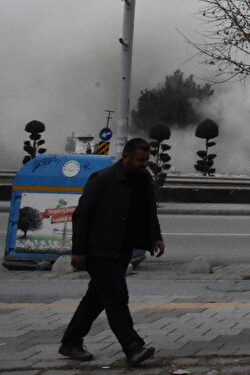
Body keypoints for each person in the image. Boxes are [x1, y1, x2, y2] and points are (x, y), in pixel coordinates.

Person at [59, 138, 164, 366]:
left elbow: (149, 212)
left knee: (96, 298)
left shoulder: (143, 179)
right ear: (126, 157)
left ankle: (71, 342)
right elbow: (82, 216)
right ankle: (133, 347)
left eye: (147, 159)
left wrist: (156, 236)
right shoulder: (103, 180)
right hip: (101, 249)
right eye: (140, 160)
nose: (144, 164)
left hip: (122, 248)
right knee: (116, 298)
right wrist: (79, 251)